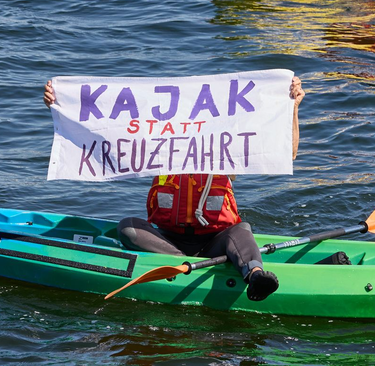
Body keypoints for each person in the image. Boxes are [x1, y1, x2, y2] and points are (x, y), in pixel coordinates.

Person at [43, 76, 305, 302]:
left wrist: (292, 107)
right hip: (167, 241)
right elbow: (104, 134)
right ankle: (183, 263)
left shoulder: (223, 153)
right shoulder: (159, 149)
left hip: (216, 241)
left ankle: (256, 276)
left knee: (241, 230)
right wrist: (62, 106)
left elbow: (287, 154)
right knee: (127, 227)